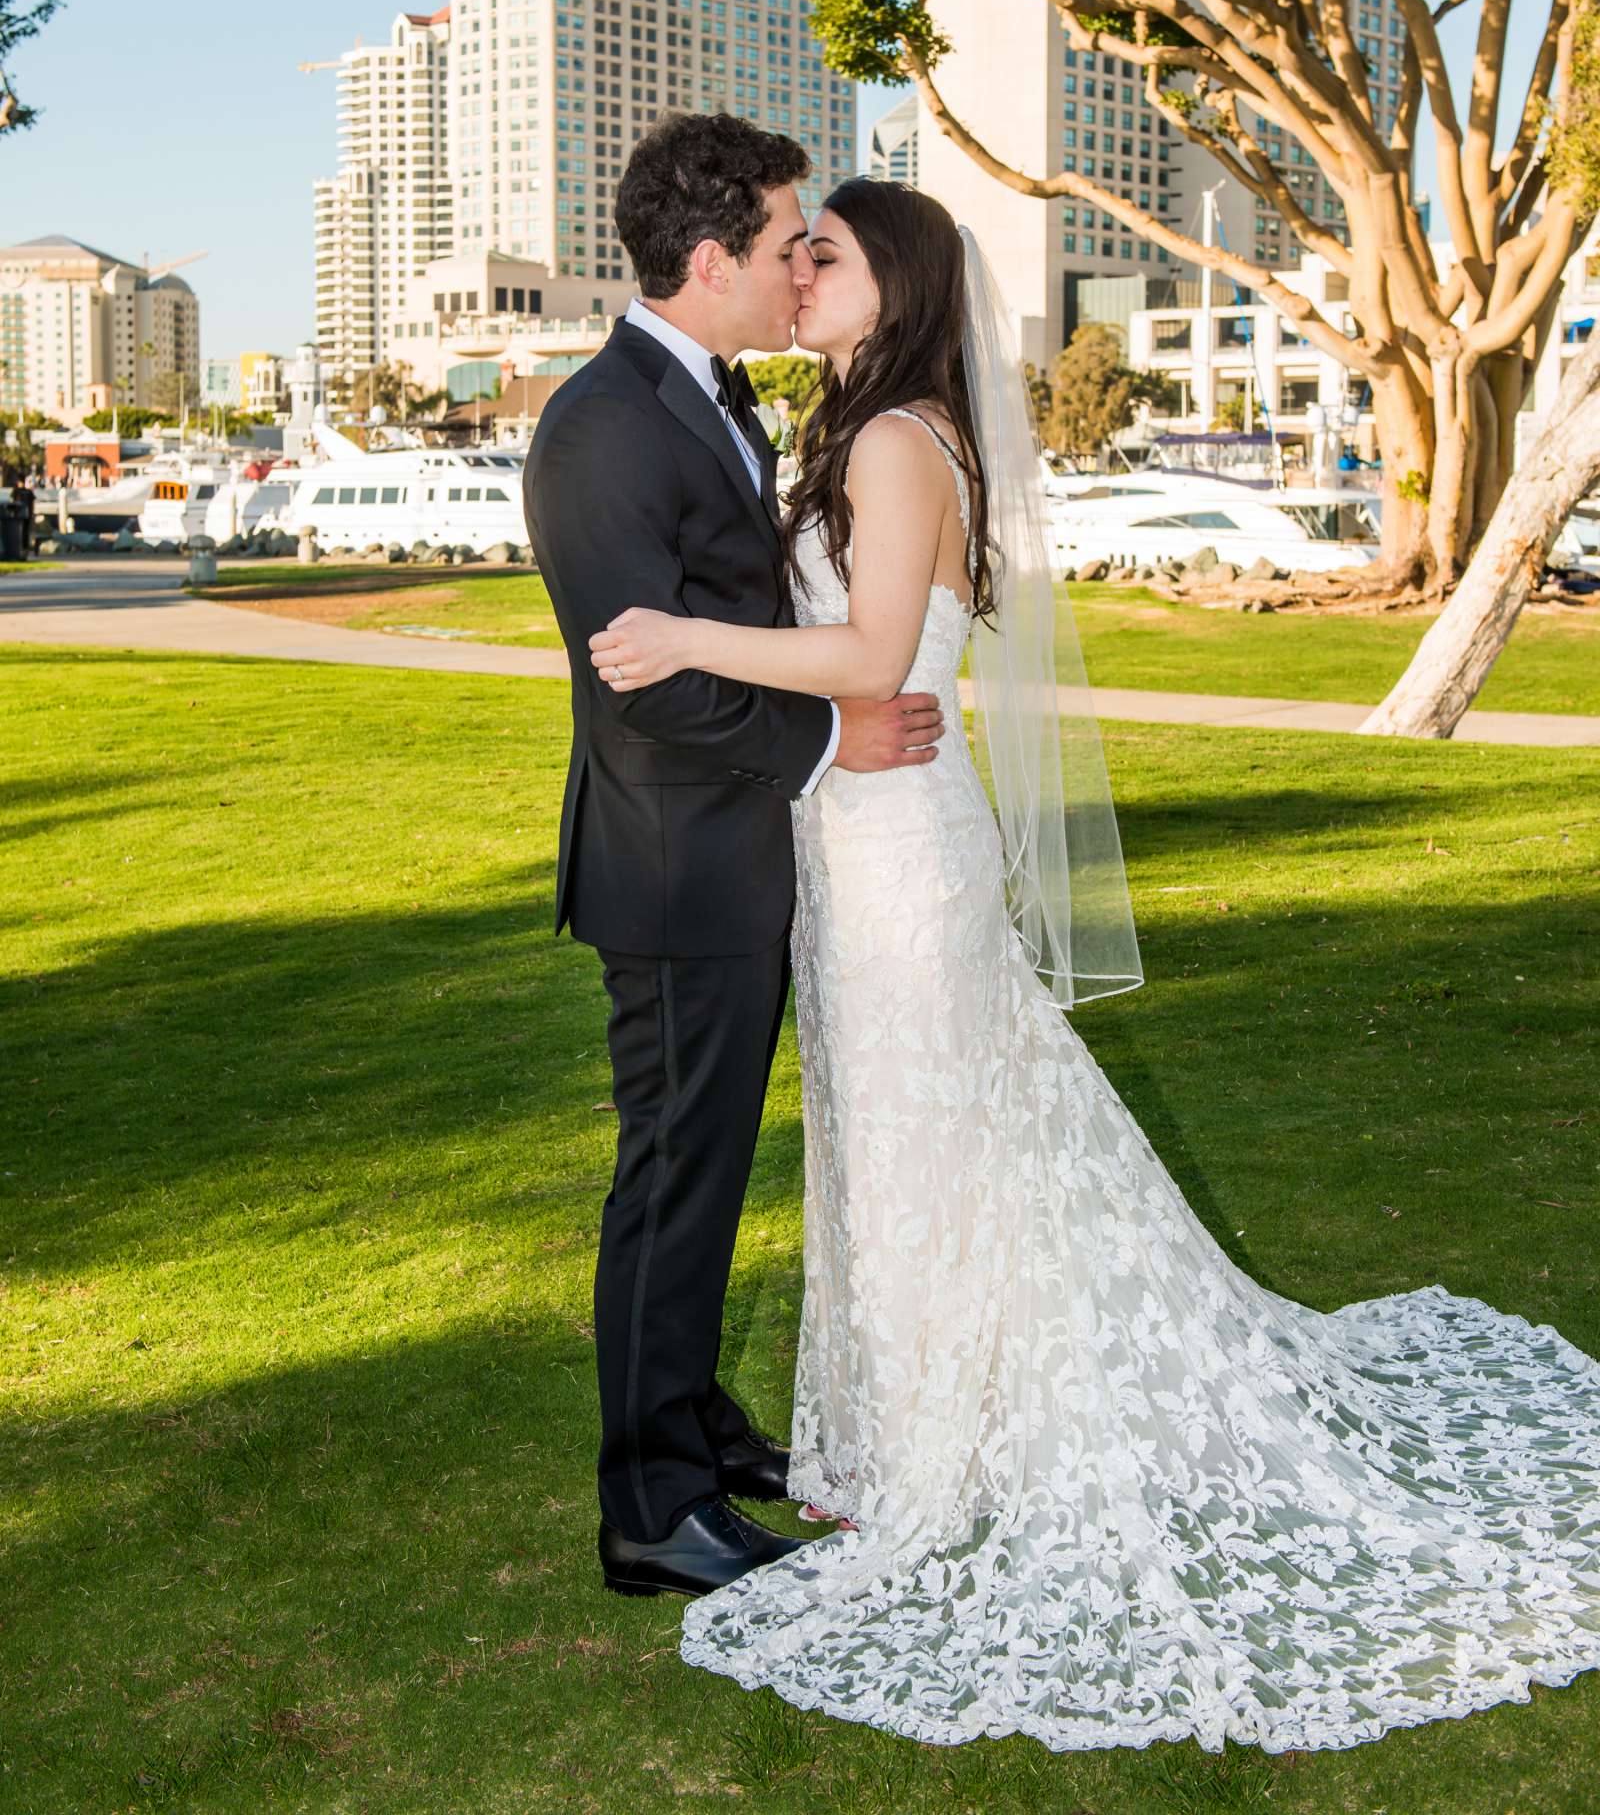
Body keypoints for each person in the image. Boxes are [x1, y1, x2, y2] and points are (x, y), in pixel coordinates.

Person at [588, 176, 1600, 1756]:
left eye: (826, 255)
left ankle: (952, 1446)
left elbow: (868, 658)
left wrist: (687, 637)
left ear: (895, 283)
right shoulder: (851, 428)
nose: (799, 275)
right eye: (793, 252)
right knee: (895, 1148)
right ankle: (911, 1423)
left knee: (934, 1140)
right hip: (849, 845)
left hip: (902, 851)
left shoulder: (897, 441)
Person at [523, 115, 946, 1603]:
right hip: (673, 868)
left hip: (727, 855)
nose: (797, 267)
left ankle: (694, 1421)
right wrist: (840, 747)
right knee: (676, 1180)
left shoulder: (698, 394)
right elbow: (651, 676)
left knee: (697, 1169)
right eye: (782, 246)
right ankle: (652, 1505)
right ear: (712, 261)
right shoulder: (602, 426)